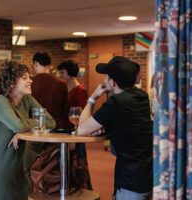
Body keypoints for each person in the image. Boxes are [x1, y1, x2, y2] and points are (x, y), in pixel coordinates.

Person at [78, 56, 153, 200]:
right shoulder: (141, 96)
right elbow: (127, 122)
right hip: (147, 174)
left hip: (130, 181)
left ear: (112, 82)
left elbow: (81, 130)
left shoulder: (116, 102)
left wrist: (93, 97)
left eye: (106, 77)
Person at [0, 61, 55, 200]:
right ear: (10, 83)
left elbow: (51, 122)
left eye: (29, 77)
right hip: (0, 173)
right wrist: (27, 127)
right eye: (24, 78)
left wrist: (23, 131)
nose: (31, 81)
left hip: (21, 173)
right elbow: (18, 126)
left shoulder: (27, 99)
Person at [24, 52, 70, 191]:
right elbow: (64, 112)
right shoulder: (61, 83)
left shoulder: (30, 83)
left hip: (34, 132)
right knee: (52, 168)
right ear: (50, 65)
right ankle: (50, 193)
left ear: (36, 64)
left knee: (28, 167)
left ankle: (32, 194)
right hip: (54, 131)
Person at [57, 60, 92, 190]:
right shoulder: (65, 89)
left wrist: (75, 139)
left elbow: (83, 116)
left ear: (70, 74)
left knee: (78, 165)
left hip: (76, 133)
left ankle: (82, 191)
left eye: (62, 72)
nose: (60, 75)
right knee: (68, 164)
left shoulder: (80, 90)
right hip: (66, 131)